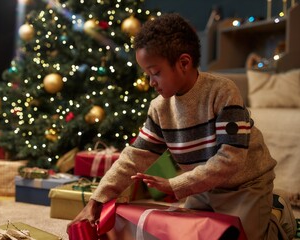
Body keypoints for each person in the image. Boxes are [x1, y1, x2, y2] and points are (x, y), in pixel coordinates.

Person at [67, 13, 296, 239]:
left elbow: (231, 159)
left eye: (155, 73)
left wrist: (175, 184)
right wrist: (98, 199)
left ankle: (277, 214)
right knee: (186, 233)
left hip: (245, 185)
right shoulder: (159, 108)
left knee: (243, 236)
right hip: (203, 187)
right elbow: (134, 156)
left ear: (184, 63)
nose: (151, 83)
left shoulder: (222, 92)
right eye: (147, 74)